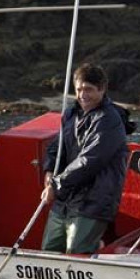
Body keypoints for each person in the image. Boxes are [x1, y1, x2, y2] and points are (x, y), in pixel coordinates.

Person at [41, 63, 129, 254]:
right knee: (49, 250)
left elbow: (90, 160)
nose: (82, 95)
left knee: (76, 251)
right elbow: (56, 147)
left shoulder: (109, 120)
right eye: (79, 89)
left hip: (93, 201)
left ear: (102, 89)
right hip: (64, 198)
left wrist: (56, 185)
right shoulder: (71, 115)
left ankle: (96, 249)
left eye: (88, 89)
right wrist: (48, 171)